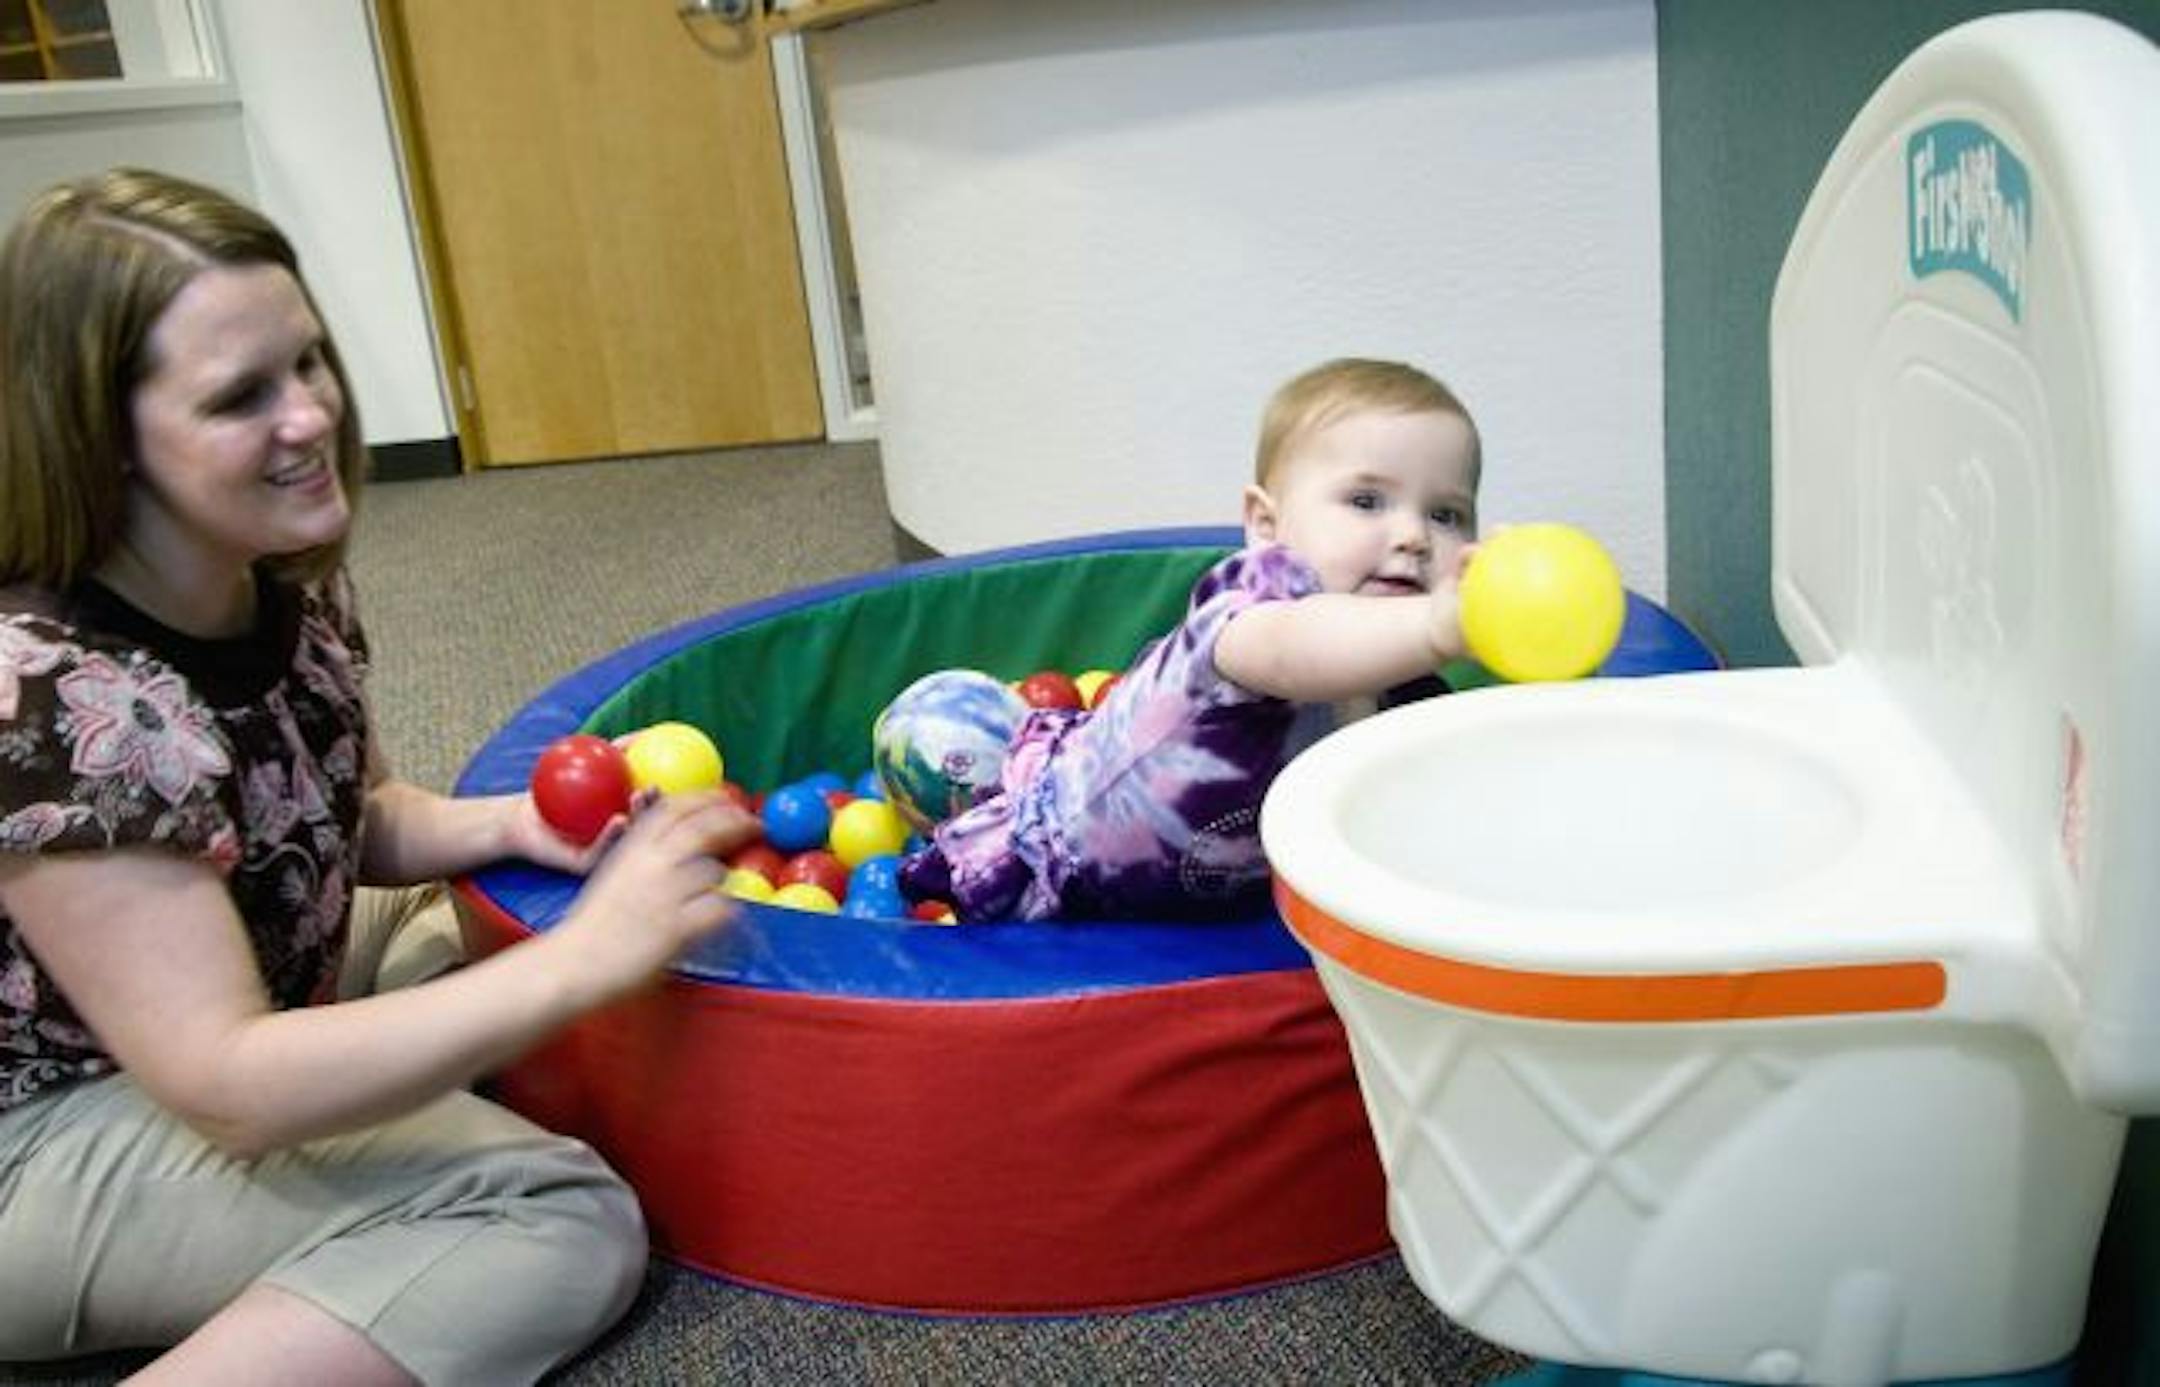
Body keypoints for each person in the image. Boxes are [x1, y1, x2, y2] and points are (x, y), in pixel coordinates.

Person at [0, 168, 757, 1385]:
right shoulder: (59, 700)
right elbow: (225, 1084)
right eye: (242, 396)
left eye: (306, 361)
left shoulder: (277, 571)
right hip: (38, 1139)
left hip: (212, 1013)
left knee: (458, 927)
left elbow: (344, 824)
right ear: (105, 448)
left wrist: (514, 825)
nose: (309, 415)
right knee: (553, 1215)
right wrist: (585, 957)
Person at [900, 357, 1480, 922]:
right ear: (1266, 525)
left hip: (1221, 882)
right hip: (1067, 858)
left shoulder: (1407, 681)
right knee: (936, 745)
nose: (1414, 536)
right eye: (1366, 501)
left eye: (1447, 515)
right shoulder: (1256, 608)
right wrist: (1438, 626)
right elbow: (1291, 653)